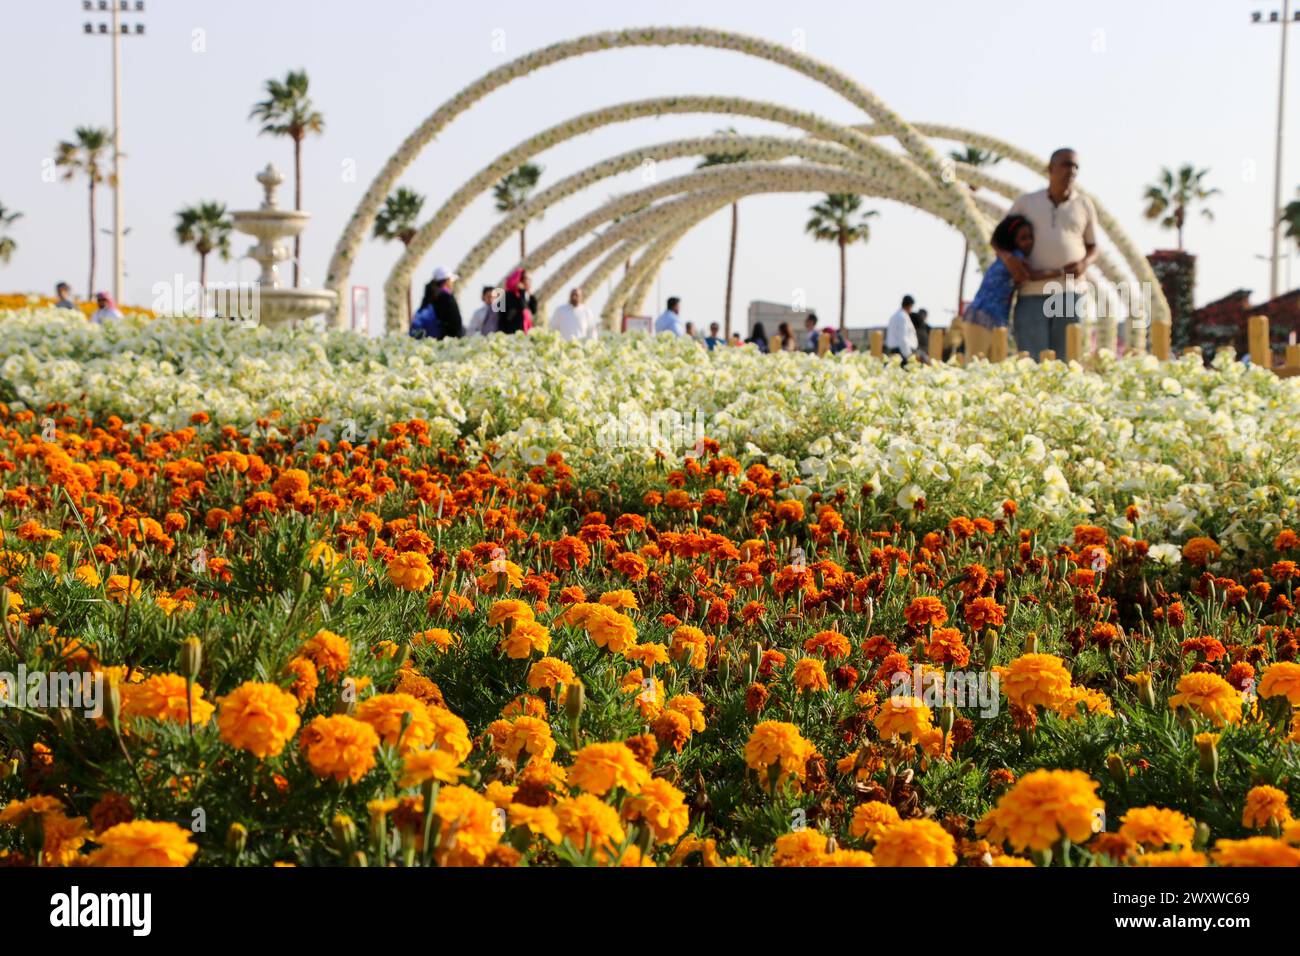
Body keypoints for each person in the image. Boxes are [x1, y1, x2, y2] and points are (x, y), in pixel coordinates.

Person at [1005, 147, 1099, 360]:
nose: (1072, 171)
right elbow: (1000, 240)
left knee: (1066, 361)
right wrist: (1012, 262)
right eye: (1066, 164)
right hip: (1031, 293)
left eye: (1075, 166)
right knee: (1032, 361)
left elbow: (1093, 247)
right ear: (1050, 169)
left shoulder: (1084, 204)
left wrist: (1084, 264)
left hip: (1069, 292)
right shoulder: (1026, 202)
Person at [964, 214, 1063, 357]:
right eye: (1023, 238)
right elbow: (1031, 276)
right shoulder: (1015, 258)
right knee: (976, 361)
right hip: (983, 315)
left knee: (987, 364)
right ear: (1014, 241)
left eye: (1030, 237)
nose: (1029, 241)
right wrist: (1061, 272)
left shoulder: (1010, 257)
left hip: (992, 316)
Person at [413, 267, 463, 339]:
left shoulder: (430, 296)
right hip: (445, 341)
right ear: (446, 281)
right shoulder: (447, 297)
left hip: (429, 340)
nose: (452, 283)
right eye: (451, 281)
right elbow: (456, 324)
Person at [500, 268, 536, 334]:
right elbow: (522, 307)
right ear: (519, 279)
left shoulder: (526, 295)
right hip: (511, 334)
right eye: (527, 279)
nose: (529, 282)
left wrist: (531, 295)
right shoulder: (507, 296)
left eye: (530, 280)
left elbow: (533, 310)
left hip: (525, 332)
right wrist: (521, 291)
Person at [885, 295, 918, 360]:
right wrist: (908, 355)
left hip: (896, 350)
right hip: (903, 352)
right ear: (910, 306)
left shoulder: (894, 316)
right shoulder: (902, 317)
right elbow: (903, 338)